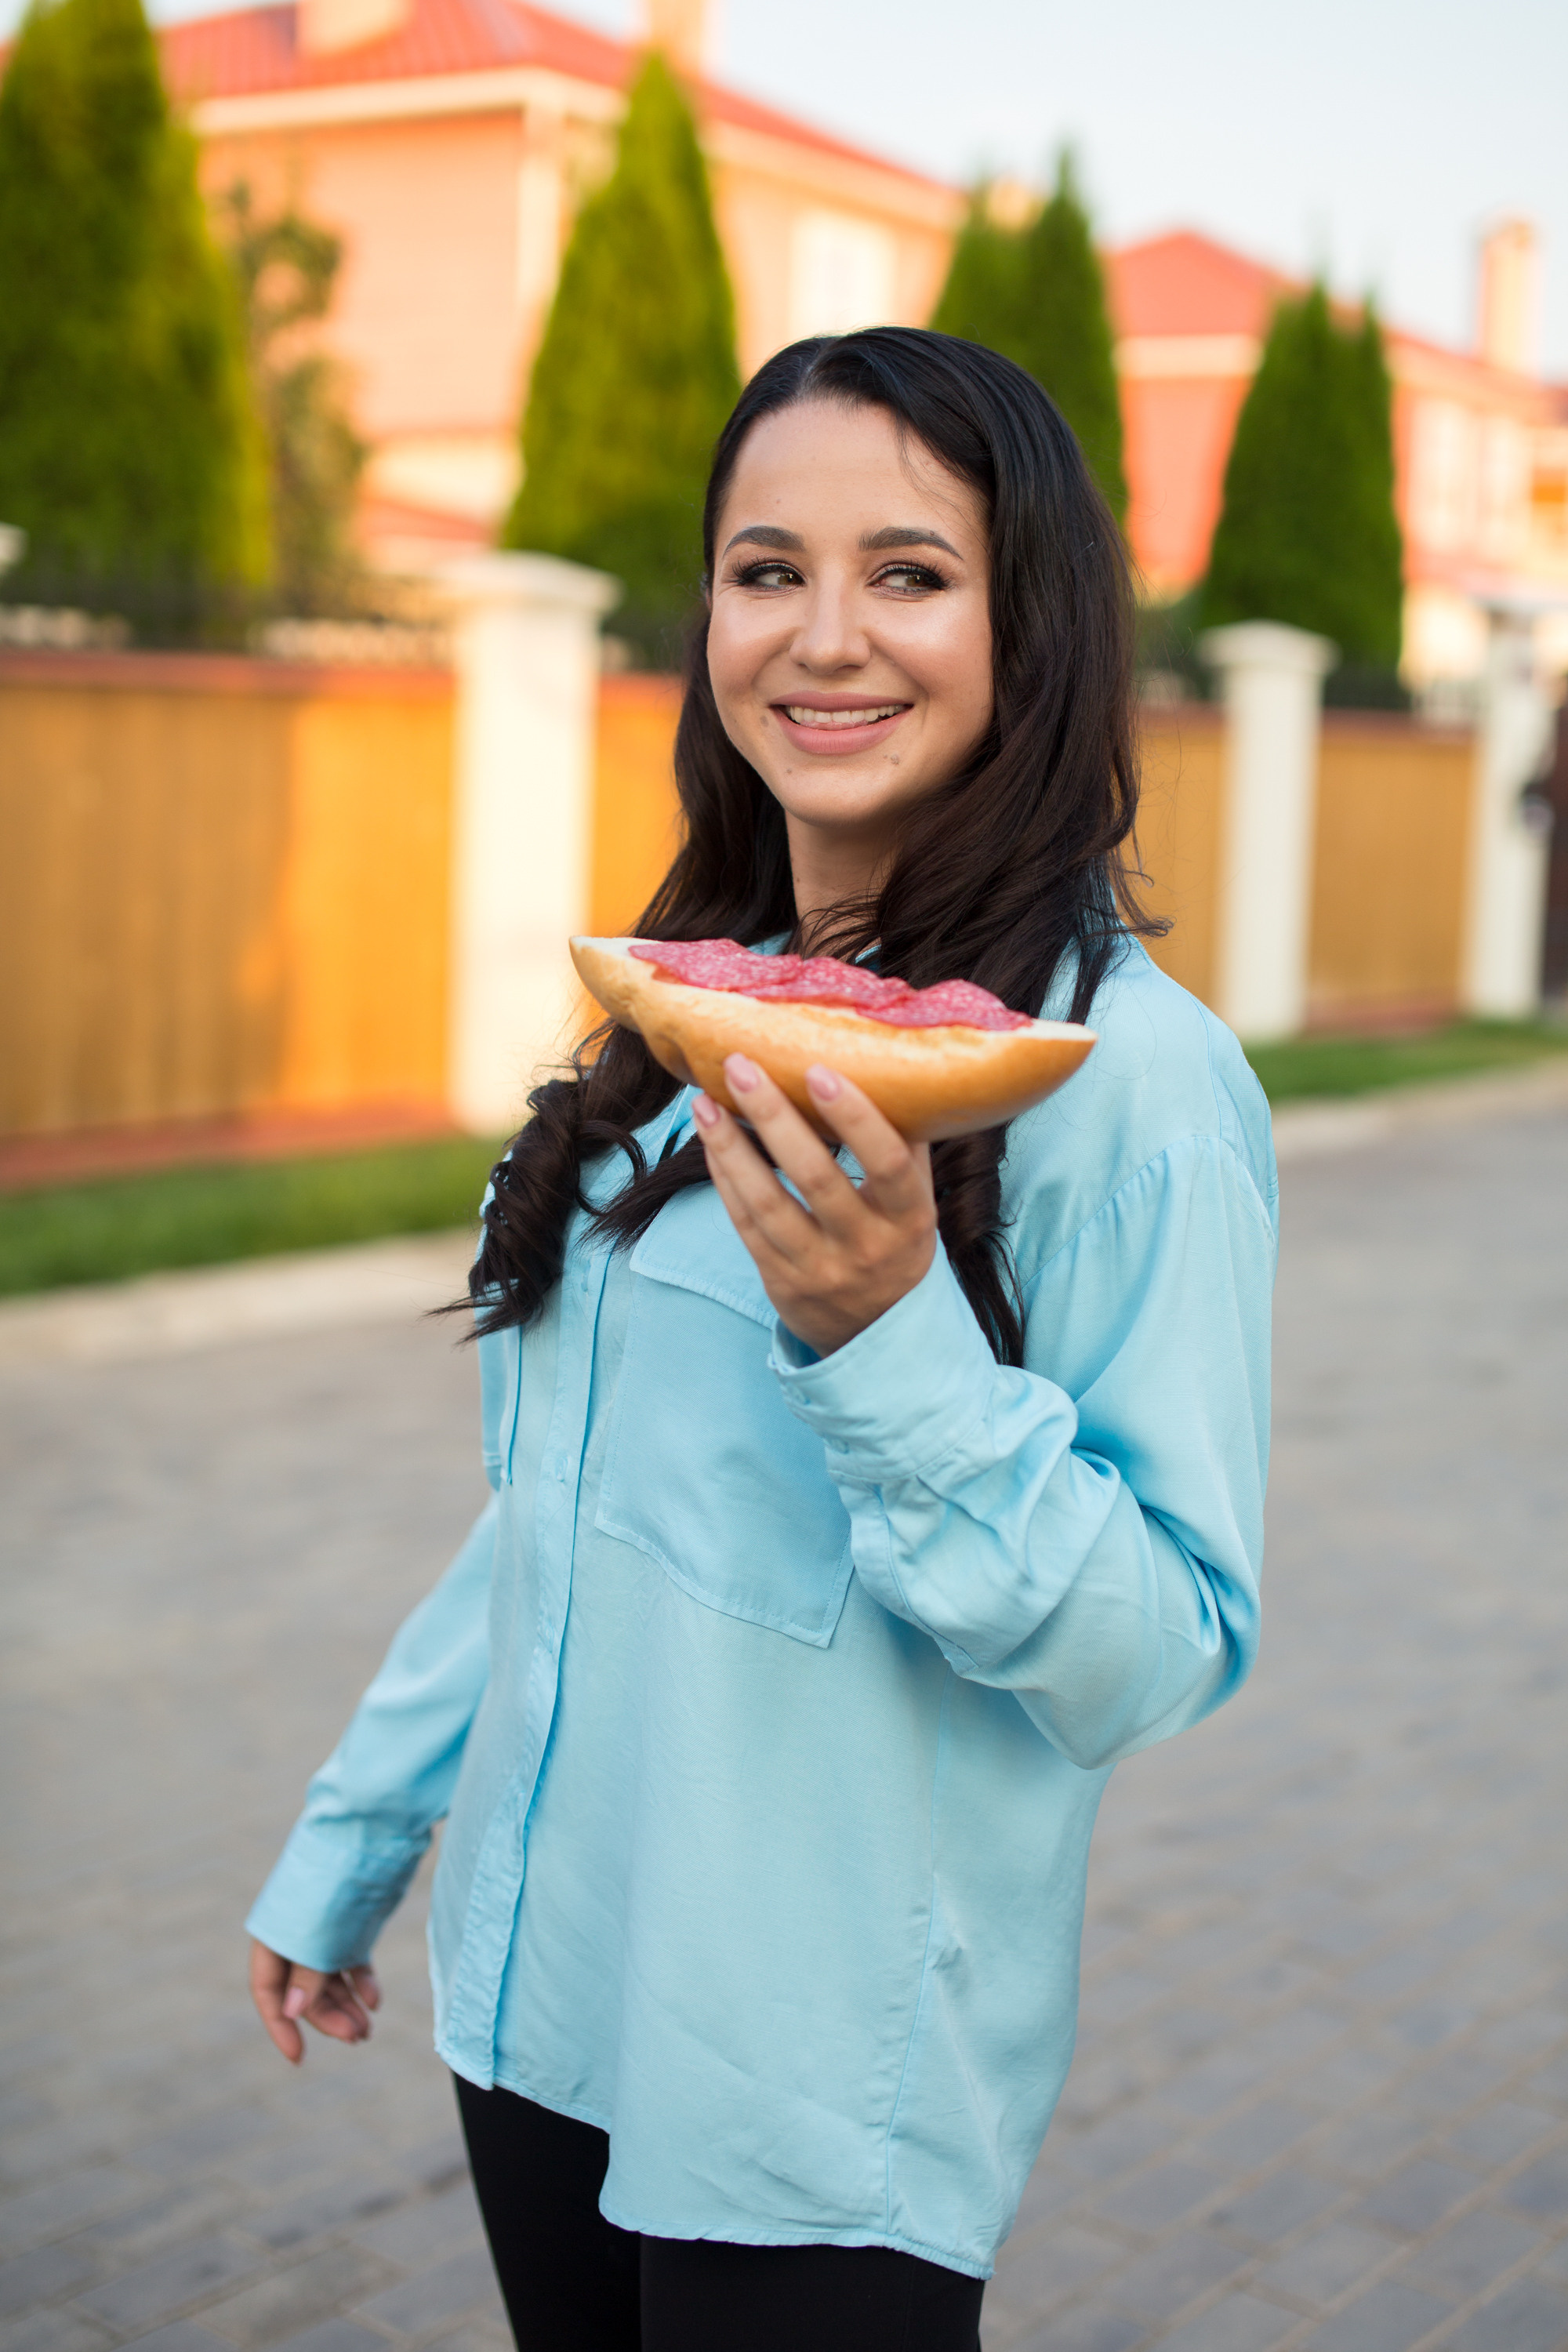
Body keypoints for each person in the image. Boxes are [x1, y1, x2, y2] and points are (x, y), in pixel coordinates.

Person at [246, 328, 1276, 2352]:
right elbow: (562, 1499)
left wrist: (892, 1343)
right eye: (765, 568)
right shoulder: (694, 1006)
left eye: (908, 572)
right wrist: (357, 1831)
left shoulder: (1130, 1085)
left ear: (1031, 623)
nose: (824, 637)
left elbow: (1163, 1646)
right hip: (543, 2003)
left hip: (809, 2091)